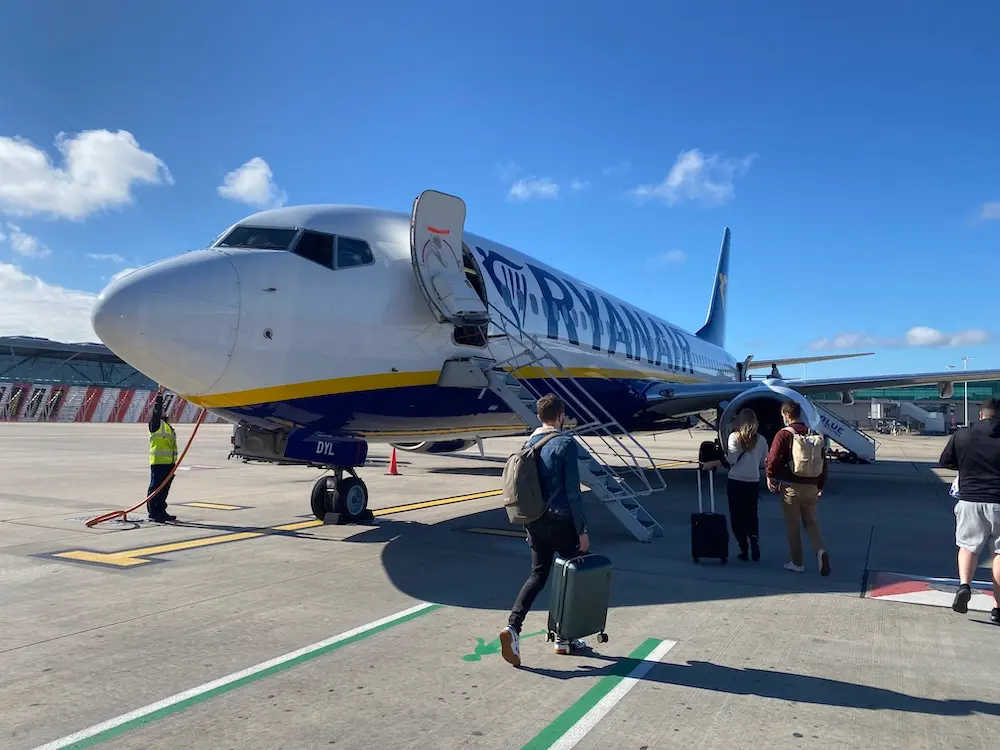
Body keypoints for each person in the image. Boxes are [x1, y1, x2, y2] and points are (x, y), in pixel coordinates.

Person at [500, 394, 589, 667]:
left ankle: (513, 627)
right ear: (561, 416)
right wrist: (582, 530)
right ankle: (565, 638)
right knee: (575, 575)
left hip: (534, 519)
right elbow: (573, 493)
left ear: (539, 416)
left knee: (538, 575)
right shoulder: (565, 443)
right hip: (562, 521)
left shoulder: (530, 443)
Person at [938, 397, 1000, 624]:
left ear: (981, 415)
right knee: (999, 554)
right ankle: (997, 608)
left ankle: (964, 585)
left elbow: (945, 461)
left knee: (968, 547)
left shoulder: (963, 435)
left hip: (970, 499)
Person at [765, 401, 831, 576]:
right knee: (812, 523)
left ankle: (797, 562)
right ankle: (820, 551)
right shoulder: (813, 434)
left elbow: (772, 459)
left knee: (793, 526)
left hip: (791, 488)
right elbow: (824, 464)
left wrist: (770, 476)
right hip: (811, 487)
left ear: (786, 415)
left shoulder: (784, 434)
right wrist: (820, 485)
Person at [717, 409, 770, 562]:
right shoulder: (761, 440)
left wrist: (714, 463)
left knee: (736, 518)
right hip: (752, 481)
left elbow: (731, 459)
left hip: (736, 481)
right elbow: (763, 462)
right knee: (751, 516)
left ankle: (743, 549)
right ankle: (754, 541)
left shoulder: (734, 437)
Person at [148, 386, 178, 522]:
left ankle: (161, 510)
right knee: (156, 489)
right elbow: (157, 411)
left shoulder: (167, 426)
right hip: (159, 463)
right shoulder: (155, 424)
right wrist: (160, 395)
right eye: (162, 410)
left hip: (169, 463)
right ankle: (154, 512)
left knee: (164, 490)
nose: (165, 411)